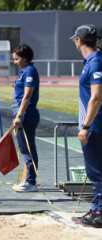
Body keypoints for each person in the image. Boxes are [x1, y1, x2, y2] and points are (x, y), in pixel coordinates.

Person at [69, 24, 102, 228]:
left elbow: (96, 98)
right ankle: (96, 207)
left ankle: (99, 212)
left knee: (96, 171)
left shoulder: (96, 62)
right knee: (95, 171)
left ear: (79, 40)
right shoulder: (92, 60)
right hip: (93, 125)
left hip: (95, 126)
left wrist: (86, 126)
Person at [10, 44, 40, 192]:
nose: (15, 62)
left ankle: (31, 182)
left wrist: (19, 115)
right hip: (22, 114)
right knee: (24, 148)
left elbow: (27, 95)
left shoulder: (30, 71)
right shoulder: (25, 71)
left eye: (16, 59)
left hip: (26, 114)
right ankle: (30, 180)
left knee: (27, 149)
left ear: (25, 58)